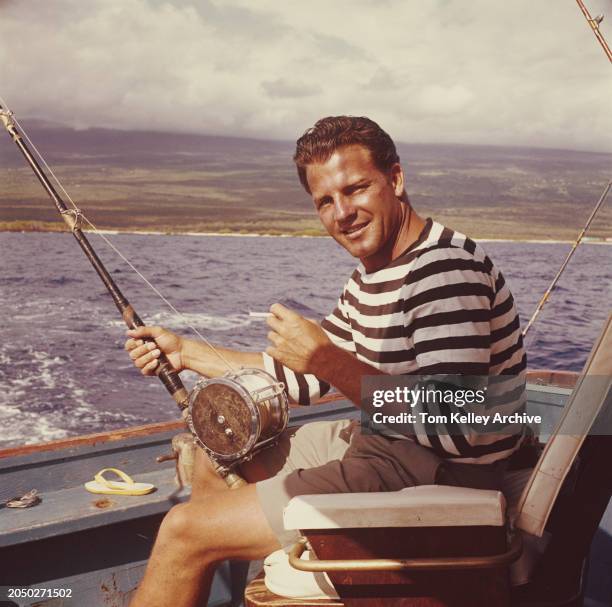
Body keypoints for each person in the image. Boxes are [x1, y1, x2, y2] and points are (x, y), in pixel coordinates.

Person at [124, 116, 526, 607]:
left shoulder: (443, 272)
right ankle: (225, 543)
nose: (343, 213)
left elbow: (457, 427)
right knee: (219, 450)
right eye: (325, 202)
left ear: (395, 179)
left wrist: (327, 358)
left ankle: (201, 545)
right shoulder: (373, 274)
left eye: (356, 189)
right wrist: (185, 353)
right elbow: (301, 379)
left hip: (440, 474)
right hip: (386, 447)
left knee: (182, 531)